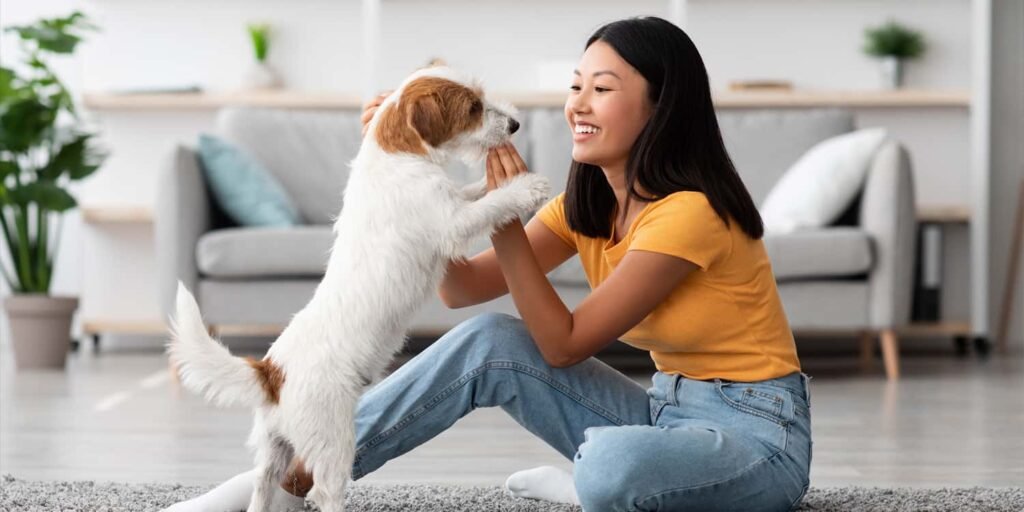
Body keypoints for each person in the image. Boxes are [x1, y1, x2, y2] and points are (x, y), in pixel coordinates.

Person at [167, 16, 812, 512]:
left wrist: (501, 214)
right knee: (488, 342)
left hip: (758, 435)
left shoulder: (689, 214)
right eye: (576, 86)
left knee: (610, 466)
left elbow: (563, 345)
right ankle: (286, 480)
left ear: (660, 108)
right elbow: (461, 287)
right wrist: (400, 163)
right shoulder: (585, 205)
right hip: (663, 412)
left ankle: (594, 484)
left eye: (602, 89)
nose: (578, 104)